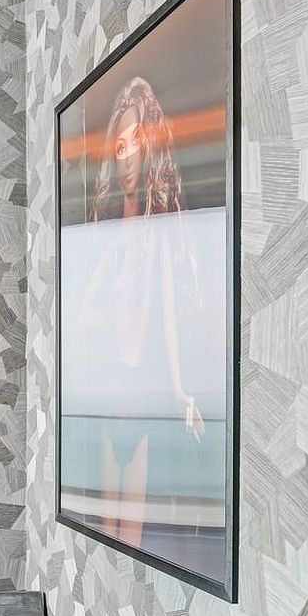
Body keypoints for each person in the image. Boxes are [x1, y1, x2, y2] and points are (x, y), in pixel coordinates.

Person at [78, 76, 203, 548]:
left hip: (141, 390)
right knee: (107, 524)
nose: (126, 155)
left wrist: (179, 392)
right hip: (109, 388)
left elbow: (167, 317)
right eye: (119, 146)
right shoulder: (108, 235)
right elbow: (84, 315)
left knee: (129, 527)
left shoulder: (159, 232)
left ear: (149, 147)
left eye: (135, 144)